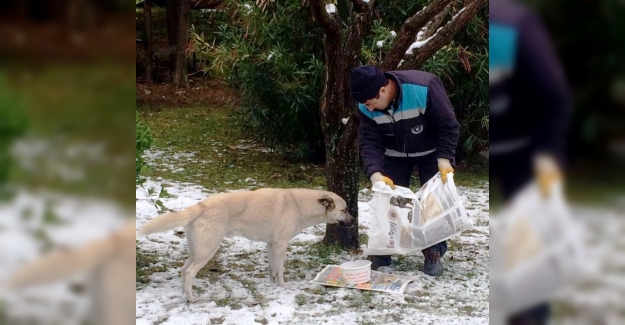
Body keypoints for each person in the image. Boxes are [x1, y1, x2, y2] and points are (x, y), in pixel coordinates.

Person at [490, 0, 572, 324]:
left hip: (522, 153)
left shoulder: (511, 25)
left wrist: (548, 157)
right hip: (493, 149)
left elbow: (554, 96)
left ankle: (530, 311)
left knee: (528, 236)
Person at [350, 65, 460, 276]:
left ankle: (433, 252)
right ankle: (382, 252)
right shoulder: (366, 106)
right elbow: (369, 142)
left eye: (369, 103)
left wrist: (445, 159)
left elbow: (448, 125)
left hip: (431, 153)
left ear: (382, 90)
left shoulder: (423, 88)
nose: (368, 108)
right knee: (389, 202)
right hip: (395, 155)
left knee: (431, 204)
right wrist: (376, 174)